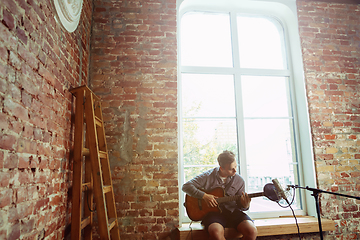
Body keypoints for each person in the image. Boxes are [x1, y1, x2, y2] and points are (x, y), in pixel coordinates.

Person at [182, 150, 257, 240]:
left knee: (252, 231)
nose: (235, 170)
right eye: (231, 169)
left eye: (235, 166)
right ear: (221, 168)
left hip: (233, 212)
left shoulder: (239, 180)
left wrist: (245, 205)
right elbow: (186, 186)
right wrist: (204, 196)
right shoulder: (207, 176)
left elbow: (241, 206)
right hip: (213, 214)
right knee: (216, 233)